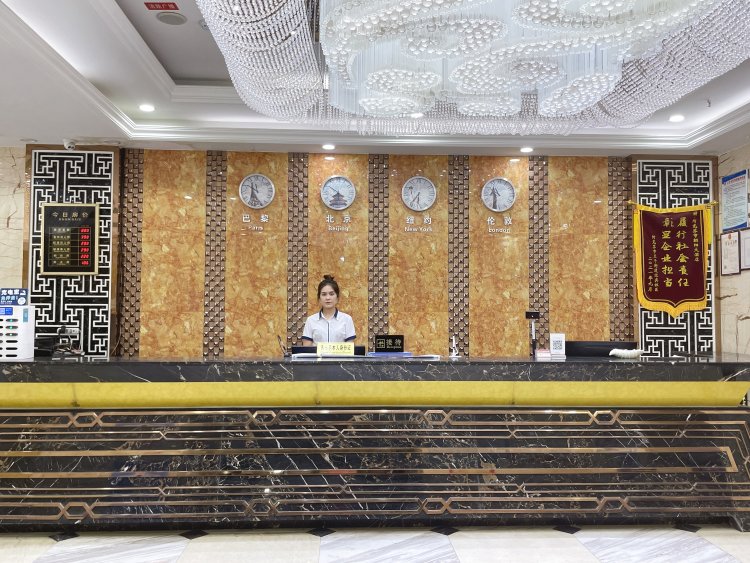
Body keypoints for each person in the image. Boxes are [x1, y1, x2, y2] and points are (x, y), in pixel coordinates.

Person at [302, 275, 356, 343]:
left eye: (331, 294)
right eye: (324, 294)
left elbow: (350, 348)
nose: (328, 298)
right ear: (319, 298)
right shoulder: (310, 320)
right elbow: (307, 348)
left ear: (337, 297)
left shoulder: (347, 319)